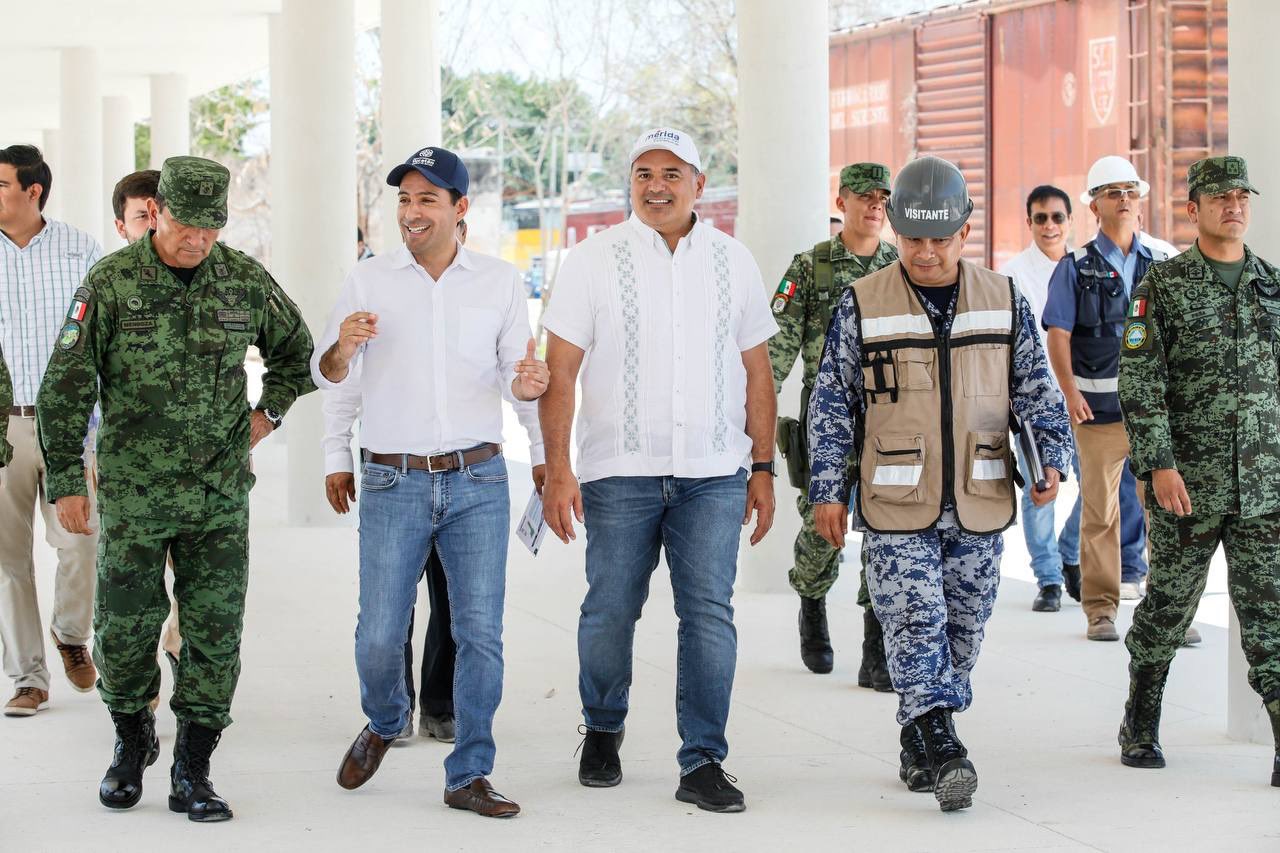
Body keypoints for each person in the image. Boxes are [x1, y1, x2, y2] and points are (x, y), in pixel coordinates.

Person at [36, 155, 316, 821]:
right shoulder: (112, 281)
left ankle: (194, 766)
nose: (198, 241)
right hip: (133, 495)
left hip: (218, 496)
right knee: (124, 633)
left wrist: (264, 415)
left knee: (215, 634)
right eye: (187, 226)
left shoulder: (242, 280)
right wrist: (69, 481)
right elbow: (65, 386)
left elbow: (295, 352)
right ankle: (132, 741)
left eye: (211, 230)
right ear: (156, 212)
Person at [809, 155, 1072, 812]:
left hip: (980, 499)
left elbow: (1036, 392)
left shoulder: (1003, 297)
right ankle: (942, 742)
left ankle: (919, 733)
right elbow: (831, 403)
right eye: (913, 238)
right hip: (895, 503)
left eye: (939, 238)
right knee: (913, 621)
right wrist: (826, 490)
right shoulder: (862, 303)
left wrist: (1052, 461)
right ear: (896, 228)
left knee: (965, 627)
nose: (925, 253)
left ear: (965, 230)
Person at [540, 127, 777, 813]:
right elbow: (561, 372)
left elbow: (757, 372)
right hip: (620, 472)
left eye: (672, 173)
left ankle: (703, 758)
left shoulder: (736, 262)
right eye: (643, 173)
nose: (656, 185)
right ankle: (604, 726)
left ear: (699, 184)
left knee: (708, 612)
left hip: (712, 471)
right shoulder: (591, 260)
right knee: (610, 609)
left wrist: (761, 467)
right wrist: (558, 470)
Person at [316, 146, 547, 819]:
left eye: (426, 200)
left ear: (459, 209)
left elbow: (516, 375)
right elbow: (332, 372)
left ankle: (470, 770)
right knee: (379, 633)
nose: (412, 213)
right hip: (394, 478)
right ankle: (388, 717)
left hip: (478, 478)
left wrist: (539, 448)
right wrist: (337, 433)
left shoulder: (500, 283)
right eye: (405, 200)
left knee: (481, 632)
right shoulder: (369, 280)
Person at [1117, 155, 1280, 787]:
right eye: (1220, 197)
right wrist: (1157, 463)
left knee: (1269, 614)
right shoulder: (1163, 287)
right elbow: (1140, 381)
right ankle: (1141, 715)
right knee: (1170, 604)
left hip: (1264, 487)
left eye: (1242, 195)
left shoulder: (1272, 284)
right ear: (1194, 209)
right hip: (1186, 484)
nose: (1233, 206)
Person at [322, 217, 469, 746]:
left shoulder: (483, 289)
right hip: (394, 474)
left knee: (455, 602)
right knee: (388, 608)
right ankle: (393, 706)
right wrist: (335, 452)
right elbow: (342, 377)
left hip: (466, 478)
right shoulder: (375, 283)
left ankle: (441, 703)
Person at [769, 162, 897, 686]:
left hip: (891, 420)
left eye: (882, 198)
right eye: (863, 196)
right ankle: (812, 600)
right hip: (830, 420)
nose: (874, 206)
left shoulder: (900, 263)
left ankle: (875, 642)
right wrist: (753, 415)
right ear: (841, 200)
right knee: (823, 528)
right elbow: (778, 346)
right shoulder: (814, 266)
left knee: (888, 529)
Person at [0, 144, 101, 718]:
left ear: (32, 191)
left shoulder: (80, 250)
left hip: (71, 425)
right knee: (5, 558)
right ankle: (28, 677)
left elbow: (100, 342)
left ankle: (70, 634)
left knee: (82, 542)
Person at [1042, 156, 1159, 641]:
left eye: (1130, 191)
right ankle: (1100, 610)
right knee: (1100, 515)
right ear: (1095, 204)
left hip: (1152, 416)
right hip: (1099, 417)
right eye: (1113, 192)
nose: (1125, 199)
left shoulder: (1159, 266)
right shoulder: (1076, 268)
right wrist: (1069, 392)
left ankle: (1166, 608)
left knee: (1165, 512)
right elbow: (1059, 334)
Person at [109, 169, 185, 706]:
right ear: (125, 225)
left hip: (203, 477)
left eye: (163, 213)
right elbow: (82, 378)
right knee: (133, 590)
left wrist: (262, 417)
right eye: (144, 216)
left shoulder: (211, 277)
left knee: (193, 586)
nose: (154, 224)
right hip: (129, 473)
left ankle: (180, 655)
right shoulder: (109, 282)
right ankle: (139, 697)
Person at [998, 185, 1083, 612]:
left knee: (1100, 489)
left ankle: (1070, 552)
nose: (1049, 225)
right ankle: (1048, 577)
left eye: (1057, 217)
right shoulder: (1012, 276)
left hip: (1085, 400)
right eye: (1040, 218)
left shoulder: (1087, 268)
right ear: (1029, 223)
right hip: (1034, 404)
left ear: (1070, 222)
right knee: (1042, 487)